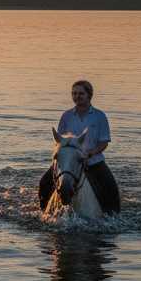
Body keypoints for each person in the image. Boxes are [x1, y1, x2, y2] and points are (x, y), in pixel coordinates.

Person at [39, 79, 120, 213]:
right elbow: (60, 141)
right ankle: (43, 213)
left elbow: (104, 142)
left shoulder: (99, 116)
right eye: (74, 93)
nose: (77, 96)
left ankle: (113, 217)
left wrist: (91, 153)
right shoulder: (66, 116)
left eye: (81, 93)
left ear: (89, 95)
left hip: (93, 161)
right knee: (44, 183)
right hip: (69, 162)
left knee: (111, 187)